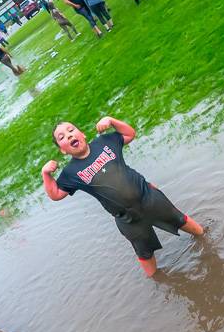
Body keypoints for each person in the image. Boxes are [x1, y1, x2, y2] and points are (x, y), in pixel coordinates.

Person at [42, 117, 204, 277]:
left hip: (149, 198)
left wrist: (111, 121)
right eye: (62, 137)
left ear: (82, 134)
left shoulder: (105, 142)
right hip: (127, 218)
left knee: (181, 220)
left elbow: (130, 134)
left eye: (71, 130)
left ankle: (205, 238)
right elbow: (55, 194)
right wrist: (46, 174)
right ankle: (158, 280)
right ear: (63, 150)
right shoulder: (70, 172)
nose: (69, 135)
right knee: (144, 253)